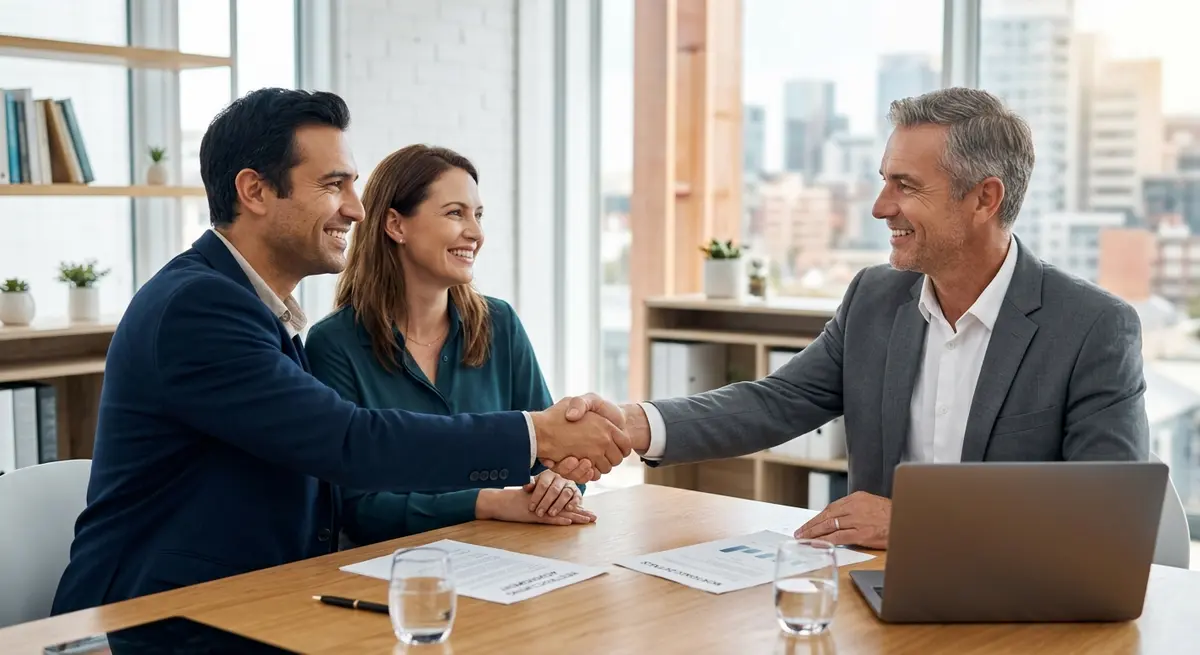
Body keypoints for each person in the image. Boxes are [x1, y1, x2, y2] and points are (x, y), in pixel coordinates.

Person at [51, 88, 628, 615]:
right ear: (253, 191)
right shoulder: (199, 309)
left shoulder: (252, 311)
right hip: (148, 622)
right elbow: (347, 442)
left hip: (251, 601)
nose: (356, 208)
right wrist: (536, 437)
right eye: (334, 185)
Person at [564, 87, 1149, 550]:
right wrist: (632, 424)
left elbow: (1107, 519)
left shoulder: (1093, 329)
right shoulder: (876, 297)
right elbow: (777, 401)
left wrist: (919, 526)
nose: (880, 207)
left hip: (1024, 610)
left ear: (984, 199)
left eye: (906, 185)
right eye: (883, 180)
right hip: (877, 595)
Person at [306, 144, 594, 545]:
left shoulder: (500, 324)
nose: (475, 233)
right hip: (396, 571)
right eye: (455, 213)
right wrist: (488, 502)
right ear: (396, 225)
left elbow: (553, 453)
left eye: (477, 215)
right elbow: (358, 509)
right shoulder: (333, 344)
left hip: (512, 555)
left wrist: (559, 483)